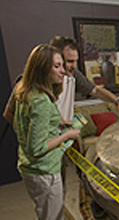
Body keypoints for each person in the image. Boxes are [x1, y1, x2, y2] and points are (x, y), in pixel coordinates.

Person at [12, 44, 81, 220]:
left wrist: (56, 123)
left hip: (29, 168)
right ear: (42, 69)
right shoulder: (41, 101)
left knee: (44, 213)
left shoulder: (25, 92)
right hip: (44, 172)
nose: (63, 71)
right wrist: (67, 135)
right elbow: (38, 147)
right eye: (57, 66)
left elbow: (24, 125)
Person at [49, 35, 119, 121]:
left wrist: (118, 102)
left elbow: (95, 90)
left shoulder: (73, 75)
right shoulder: (42, 85)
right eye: (70, 61)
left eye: (76, 61)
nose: (74, 66)